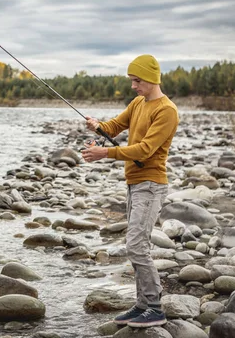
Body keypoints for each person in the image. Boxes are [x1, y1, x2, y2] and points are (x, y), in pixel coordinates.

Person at [81, 54, 179, 328]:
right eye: (132, 81)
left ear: (151, 78)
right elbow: (115, 126)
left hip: (151, 185)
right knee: (135, 245)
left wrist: (105, 153)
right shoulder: (138, 103)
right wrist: (99, 126)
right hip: (134, 184)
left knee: (136, 245)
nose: (133, 86)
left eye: (137, 81)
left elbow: (146, 149)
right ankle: (142, 305)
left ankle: (155, 308)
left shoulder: (167, 110)